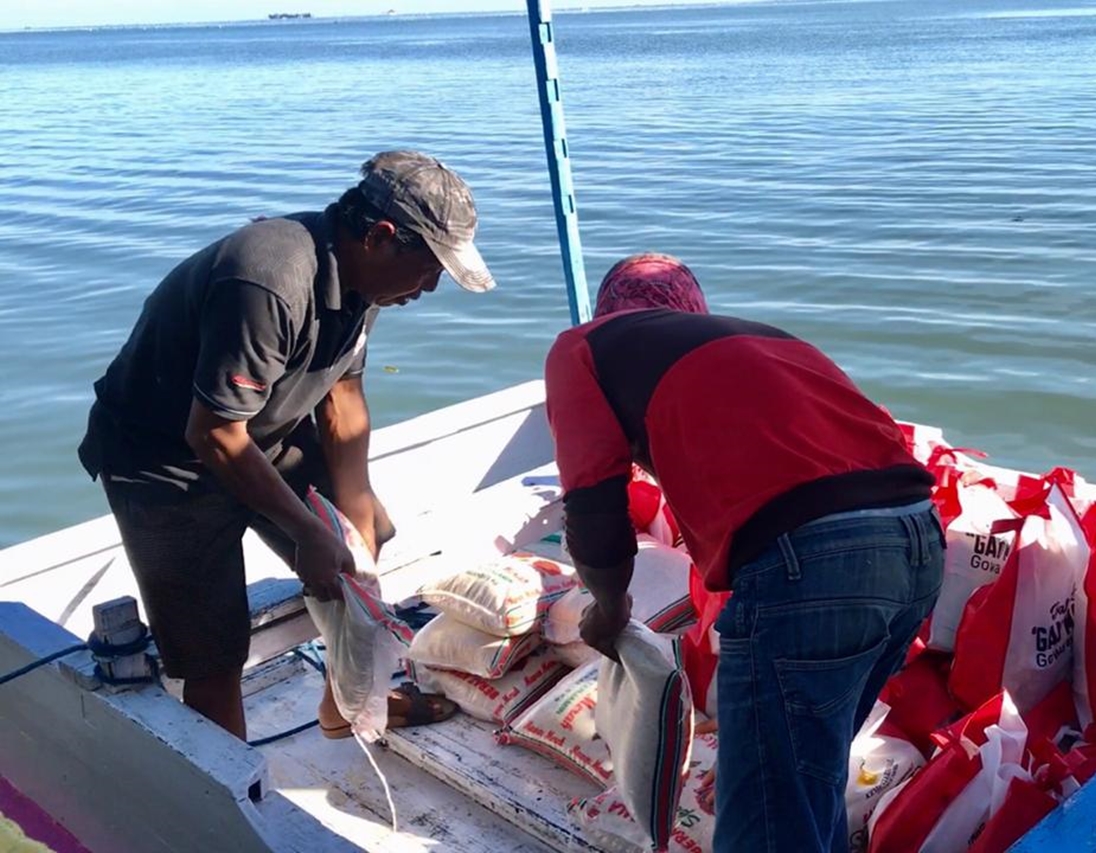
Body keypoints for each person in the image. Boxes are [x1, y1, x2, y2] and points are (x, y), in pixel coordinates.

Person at [77, 150, 494, 739]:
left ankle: (346, 704)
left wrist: (353, 517)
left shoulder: (363, 282)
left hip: (260, 433)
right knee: (212, 655)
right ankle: (231, 789)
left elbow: (342, 401)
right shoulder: (268, 280)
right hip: (164, 462)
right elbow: (213, 434)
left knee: (366, 545)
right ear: (379, 237)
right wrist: (306, 532)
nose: (429, 288)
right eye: (428, 269)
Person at [543, 253, 945, 853]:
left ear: (606, 311)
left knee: (766, 815)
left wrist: (609, 606)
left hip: (815, 563)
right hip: (918, 543)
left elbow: (595, 509)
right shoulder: (763, 339)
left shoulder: (581, 348)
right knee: (808, 778)